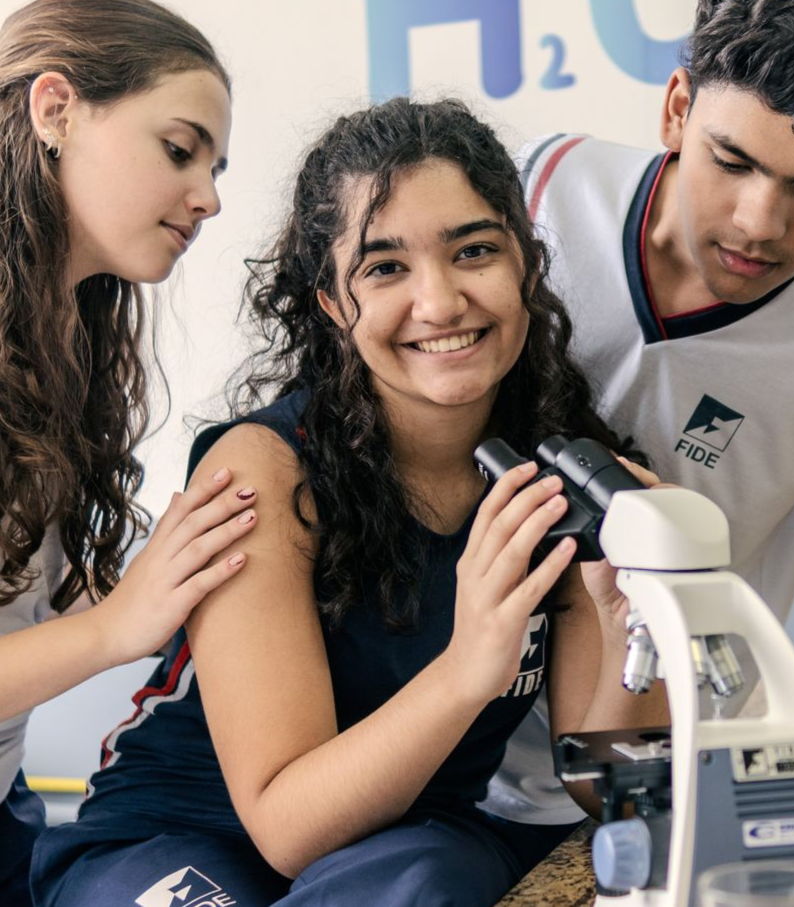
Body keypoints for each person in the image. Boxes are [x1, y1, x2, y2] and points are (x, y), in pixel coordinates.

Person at [30, 97, 668, 907]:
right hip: (177, 836)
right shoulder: (265, 471)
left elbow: (614, 792)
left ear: (526, 268)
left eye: (474, 251)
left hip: (401, 845)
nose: (439, 302)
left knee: (431, 873)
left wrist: (632, 623)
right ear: (332, 302)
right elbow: (287, 828)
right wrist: (469, 667)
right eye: (384, 267)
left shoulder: (565, 475)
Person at [480, 0, 794, 832]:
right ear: (677, 108)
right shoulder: (533, 193)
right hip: (435, 760)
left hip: (646, 789)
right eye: (732, 160)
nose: (758, 223)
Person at [0, 2, 258, 903]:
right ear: (56, 110)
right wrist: (116, 624)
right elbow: (104, 627)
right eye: (180, 149)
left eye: (214, 168)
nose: (208, 197)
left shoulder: (67, 345)